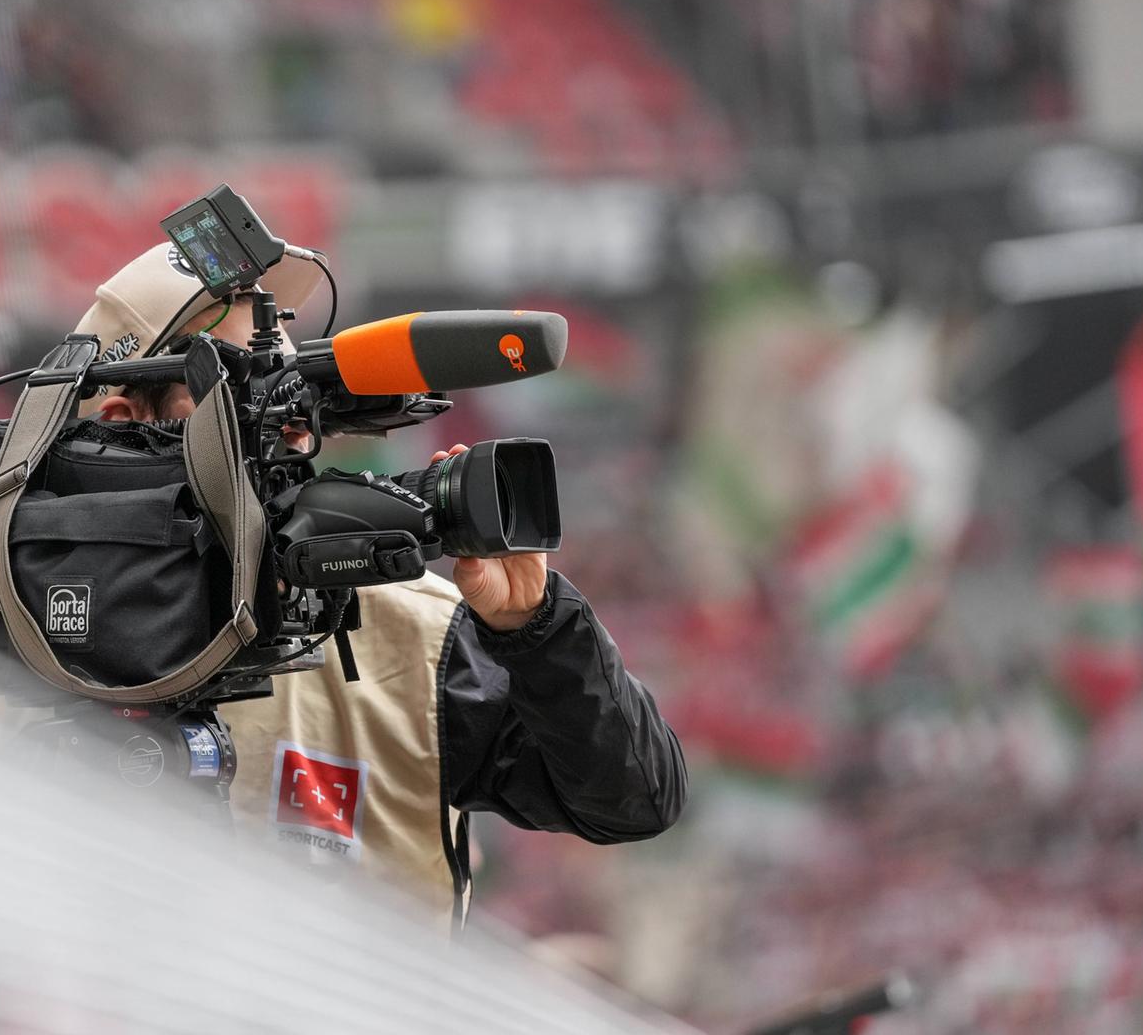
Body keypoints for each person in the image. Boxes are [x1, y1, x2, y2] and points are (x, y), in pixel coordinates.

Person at [71, 242, 686, 926]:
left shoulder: (414, 634)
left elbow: (631, 800)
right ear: (127, 427)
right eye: (233, 382)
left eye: (285, 376)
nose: (285, 415)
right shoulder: (16, 630)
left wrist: (536, 627)